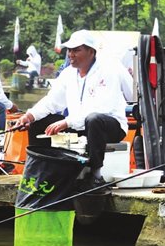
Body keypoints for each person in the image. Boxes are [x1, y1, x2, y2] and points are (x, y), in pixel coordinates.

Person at [15, 30, 129, 189]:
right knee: (39, 121)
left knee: (94, 119)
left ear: (91, 51)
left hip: (109, 126)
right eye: (69, 50)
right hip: (78, 126)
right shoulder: (68, 74)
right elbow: (52, 101)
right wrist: (29, 116)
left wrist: (66, 122)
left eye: (76, 50)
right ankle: (41, 169)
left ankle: (95, 174)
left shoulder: (107, 70)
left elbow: (102, 107)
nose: (71, 54)